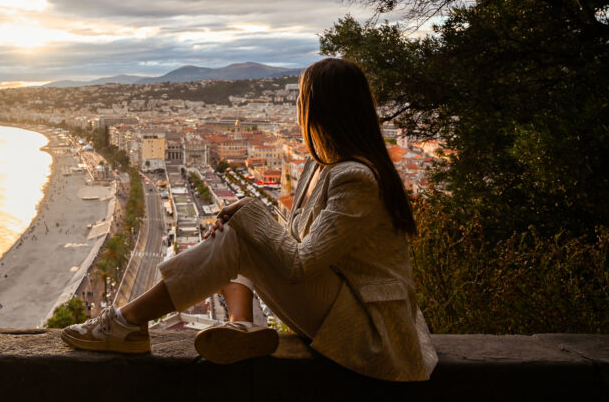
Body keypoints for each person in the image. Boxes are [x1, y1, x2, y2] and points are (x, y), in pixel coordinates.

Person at [62, 58, 438, 381]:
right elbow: (295, 242)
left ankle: (126, 322)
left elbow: (301, 263)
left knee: (243, 231)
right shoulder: (319, 166)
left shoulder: (356, 178)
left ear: (317, 109)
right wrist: (251, 214)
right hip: (342, 303)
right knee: (241, 232)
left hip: (373, 333)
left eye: (300, 100)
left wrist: (252, 213)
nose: (296, 109)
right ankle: (240, 324)